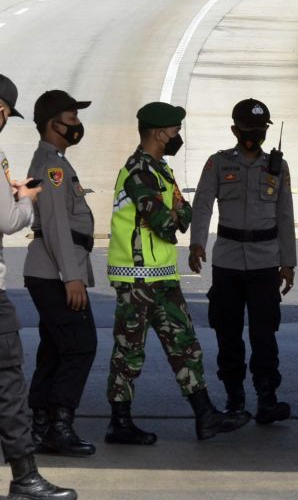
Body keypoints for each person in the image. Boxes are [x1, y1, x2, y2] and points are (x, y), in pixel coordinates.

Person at [105, 101, 250, 444]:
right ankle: (119, 422)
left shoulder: (161, 171)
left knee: (185, 345)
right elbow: (165, 222)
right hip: (136, 276)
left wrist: (174, 212)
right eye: (174, 130)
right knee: (129, 351)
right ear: (159, 133)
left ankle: (205, 416)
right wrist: (173, 212)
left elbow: (181, 219)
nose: (177, 136)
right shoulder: (139, 171)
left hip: (162, 275)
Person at [0, 73, 76, 500]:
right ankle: (26, 477)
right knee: (6, 382)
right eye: (5, 117)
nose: (4, 124)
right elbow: (9, 221)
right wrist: (25, 199)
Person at [188, 98, 296, 425]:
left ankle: (267, 399)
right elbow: (203, 204)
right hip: (228, 263)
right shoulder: (218, 164)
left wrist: (288, 263)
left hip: (265, 264)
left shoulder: (277, 167)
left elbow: (285, 216)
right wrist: (196, 244)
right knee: (228, 333)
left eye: (260, 130)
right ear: (235, 130)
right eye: (248, 130)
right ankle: (234, 399)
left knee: (264, 335)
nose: (254, 136)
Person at [24, 90, 98, 458]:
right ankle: (59, 427)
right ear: (52, 123)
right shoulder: (52, 166)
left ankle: (41, 423)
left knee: (55, 348)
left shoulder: (54, 162)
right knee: (81, 346)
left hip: (50, 270)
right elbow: (54, 225)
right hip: (55, 273)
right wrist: (72, 277)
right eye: (71, 118)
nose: (77, 125)